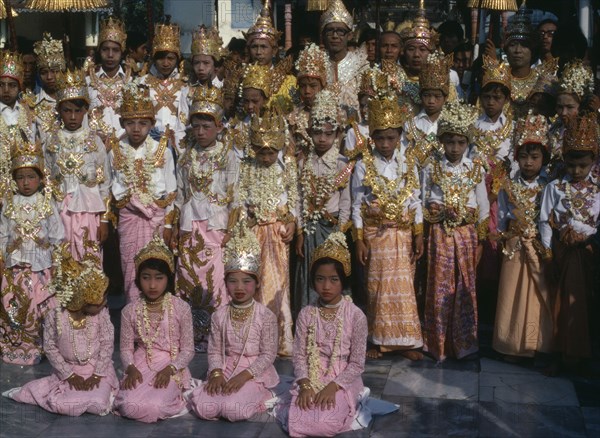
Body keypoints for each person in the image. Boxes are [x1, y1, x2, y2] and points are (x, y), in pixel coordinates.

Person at [3, 245, 117, 416]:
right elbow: (50, 347)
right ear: (82, 298)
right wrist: (69, 375)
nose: (104, 304)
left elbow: (107, 344)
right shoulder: (55, 316)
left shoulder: (102, 315)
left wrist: (97, 374)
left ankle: (99, 393)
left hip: (97, 370)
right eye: (99, 301)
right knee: (62, 404)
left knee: (98, 404)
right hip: (68, 370)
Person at [352, 94, 423, 360]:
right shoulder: (362, 165)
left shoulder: (408, 163)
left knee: (404, 287)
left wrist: (418, 234)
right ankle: (376, 340)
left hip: (402, 234)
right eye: (380, 138)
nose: (385, 144)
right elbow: (357, 204)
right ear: (372, 137)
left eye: (390, 138)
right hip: (376, 234)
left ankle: (406, 342)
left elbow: (416, 201)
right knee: (377, 287)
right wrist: (359, 239)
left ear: (399, 137)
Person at [189, 219, 279, 421]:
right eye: (233, 281)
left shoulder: (266, 316)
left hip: (254, 372)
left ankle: (263, 394)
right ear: (226, 283)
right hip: (226, 366)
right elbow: (214, 350)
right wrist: (216, 373)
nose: (239, 287)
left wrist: (244, 376)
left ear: (257, 284)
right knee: (205, 407)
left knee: (233, 410)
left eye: (246, 281)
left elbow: (268, 355)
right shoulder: (220, 314)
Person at [422, 100, 489, 362]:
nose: (455, 148)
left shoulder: (475, 168)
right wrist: (440, 209)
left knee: (464, 286)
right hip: (441, 233)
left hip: (466, 234)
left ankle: (464, 343)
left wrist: (481, 239)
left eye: (460, 142)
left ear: (468, 143)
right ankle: (437, 343)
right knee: (440, 285)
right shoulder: (432, 166)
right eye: (450, 142)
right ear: (442, 141)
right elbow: (425, 199)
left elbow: (482, 207)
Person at [174, 85, 239, 351]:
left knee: (215, 281)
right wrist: (175, 225)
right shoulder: (186, 157)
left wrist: (231, 230)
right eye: (196, 127)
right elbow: (180, 194)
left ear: (219, 127)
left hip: (216, 225)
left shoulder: (228, 156)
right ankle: (191, 335)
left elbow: (235, 194)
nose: (200, 132)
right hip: (190, 226)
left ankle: (217, 336)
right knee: (188, 278)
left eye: (206, 127)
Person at [285, 232, 368, 437]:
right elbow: (299, 356)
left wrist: (333, 386)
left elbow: (357, 363)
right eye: (320, 279)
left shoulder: (356, 315)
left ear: (344, 281)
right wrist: (304, 384)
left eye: (333, 279)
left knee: (324, 424)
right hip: (310, 376)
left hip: (342, 379)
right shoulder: (306, 313)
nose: (326, 286)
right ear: (313, 281)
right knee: (297, 420)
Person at [539, 114, 600, 373]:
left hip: (589, 253)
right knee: (561, 302)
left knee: (585, 302)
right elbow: (544, 220)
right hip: (563, 254)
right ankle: (563, 352)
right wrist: (549, 254)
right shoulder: (554, 187)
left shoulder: (597, 191)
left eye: (583, 166)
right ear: (564, 160)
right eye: (572, 165)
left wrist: (587, 238)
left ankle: (585, 353)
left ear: (593, 163)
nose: (576, 171)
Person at [234, 108, 297, 357]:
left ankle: (281, 339)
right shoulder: (247, 167)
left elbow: (294, 199)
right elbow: (240, 200)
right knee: (254, 284)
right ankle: (254, 339)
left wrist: (293, 223)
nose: (267, 157)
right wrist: (243, 226)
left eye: (271, 152)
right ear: (254, 150)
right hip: (253, 233)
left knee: (278, 286)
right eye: (262, 152)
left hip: (278, 234)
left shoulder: (286, 166)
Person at [113, 234, 194, 422]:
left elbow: (188, 349)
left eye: (159, 278)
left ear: (168, 279)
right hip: (140, 363)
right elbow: (125, 349)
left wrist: (171, 369)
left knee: (155, 407)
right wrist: (131, 368)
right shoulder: (129, 310)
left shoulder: (181, 308)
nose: (152, 285)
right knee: (128, 405)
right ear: (138, 279)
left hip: (171, 363)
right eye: (146, 277)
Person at [108, 84, 177, 303]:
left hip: (155, 222)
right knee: (131, 271)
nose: (136, 129)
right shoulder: (114, 151)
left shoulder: (162, 150)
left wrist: (167, 225)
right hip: (129, 220)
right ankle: (133, 323)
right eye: (130, 123)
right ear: (122, 123)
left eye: (142, 123)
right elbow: (111, 188)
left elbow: (172, 191)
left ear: (151, 124)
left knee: (156, 271)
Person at [493, 113, 554, 361]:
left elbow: (549, 218)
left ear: (544, 158)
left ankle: (534, 344)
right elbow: (503, 216)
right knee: (512, 294)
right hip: (514, 246)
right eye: (524, 156)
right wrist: (503, 237)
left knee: (537, 294)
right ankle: (511, 345)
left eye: (535, 157)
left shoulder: (549, 185)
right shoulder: (508, 184)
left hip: (538, 246)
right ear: (516, 157)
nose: (528, 162)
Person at [0, 136, 65, 365]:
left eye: (31, 177)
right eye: (20, 177)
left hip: (41, 267)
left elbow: (57, 235)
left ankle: (44, 347)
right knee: (14, 305)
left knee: (45, 308)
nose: (25, 182)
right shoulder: (9, 204)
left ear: (40, 178)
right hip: (15, 267)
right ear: (14, 180)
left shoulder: (47, 203)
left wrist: (57, 265)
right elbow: (3, 234)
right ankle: (18, 347)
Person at [44, 68, 111, 262]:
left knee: (88, 258)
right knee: (61, 259)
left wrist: (104, 219)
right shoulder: (51, 141)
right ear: (59, 111)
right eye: (67, 111)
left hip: (88, 211)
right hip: (59, 211)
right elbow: (46, 179)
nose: (72, 117)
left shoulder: (94, 141)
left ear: (85, 112)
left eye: (77, 111)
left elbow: (104, 182)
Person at [294, 89, 351, 313]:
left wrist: (340, 232)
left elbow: (346, 201)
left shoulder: (341, 164)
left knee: (333, 272)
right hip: (308, 230)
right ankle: (309, 320)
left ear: (336, 134)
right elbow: (298, 199)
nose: (322, 139)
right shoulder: (303, 163)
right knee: (308, 272)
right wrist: (299, 232)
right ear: (309, 133)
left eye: (328, 134)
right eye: (317, 133)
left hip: (332, 227)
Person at [471, 57, 515, 316]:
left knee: (497, 240)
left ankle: (496, 300)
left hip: (502, 194)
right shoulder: (473, 126)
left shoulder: (511, 128)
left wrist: (499, 182)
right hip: (479, 191)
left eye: (497, 97)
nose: (491, 102)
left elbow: (514, 162)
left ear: (506, 100)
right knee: (480, 237)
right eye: (487, 96)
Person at [137, 21, 189, 154]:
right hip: (148, 144)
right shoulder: (141, 84)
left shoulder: (185, 85)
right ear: (154, 58)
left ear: (177, 59)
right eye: (161, 58)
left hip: (178, 146)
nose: (166, 63)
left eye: (170, 58)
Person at [401, 51, 451, 170]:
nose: (431, 101)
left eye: (437, 96)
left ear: (445, 98)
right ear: (420, 96)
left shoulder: (450, 124)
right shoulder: (410, 124)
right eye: (427, 95)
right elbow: (404, 155)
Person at [244, 1, 296, 112]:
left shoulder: (289, 81)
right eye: (254, 47)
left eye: (263, 47)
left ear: (274, 50)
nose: (258, 52)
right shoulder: (242, 79)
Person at [320, 0, 369, 118]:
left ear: (350, 35)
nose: (335, 36)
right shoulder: (316, 62)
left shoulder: (361, 65)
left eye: (340, 31)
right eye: (330, 31)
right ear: (323, 35)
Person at [86, 16, 131, 139]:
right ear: (99, 51)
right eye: (105, 49)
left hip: (124, 143)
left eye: (115, 50)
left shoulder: (132, 82)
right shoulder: (88, 82)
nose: (110, 55)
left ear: (122, 52)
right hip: (94, 142)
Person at [549, 60, 594, 176]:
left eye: (570, 107)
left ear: (582, 106)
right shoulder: (552, 129)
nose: (563, 113)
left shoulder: (592, 131)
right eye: (560, 107)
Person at [0, 51, 36, 193]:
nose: (6, 90)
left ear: (19, 87)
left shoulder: (27, 112)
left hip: (22, 181)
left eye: (12, 85)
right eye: (1, 85)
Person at [288, 43, 330, 159]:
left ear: (323, 86)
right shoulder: (294, 116)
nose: (307, 91)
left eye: (313, 86)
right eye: (302, 86)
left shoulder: (335, 115)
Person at [31, 33, 66, 142]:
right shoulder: (33, 104)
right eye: (44, 72)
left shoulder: (74, 100)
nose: (49, 77)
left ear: (63, 71)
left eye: (55, 71)